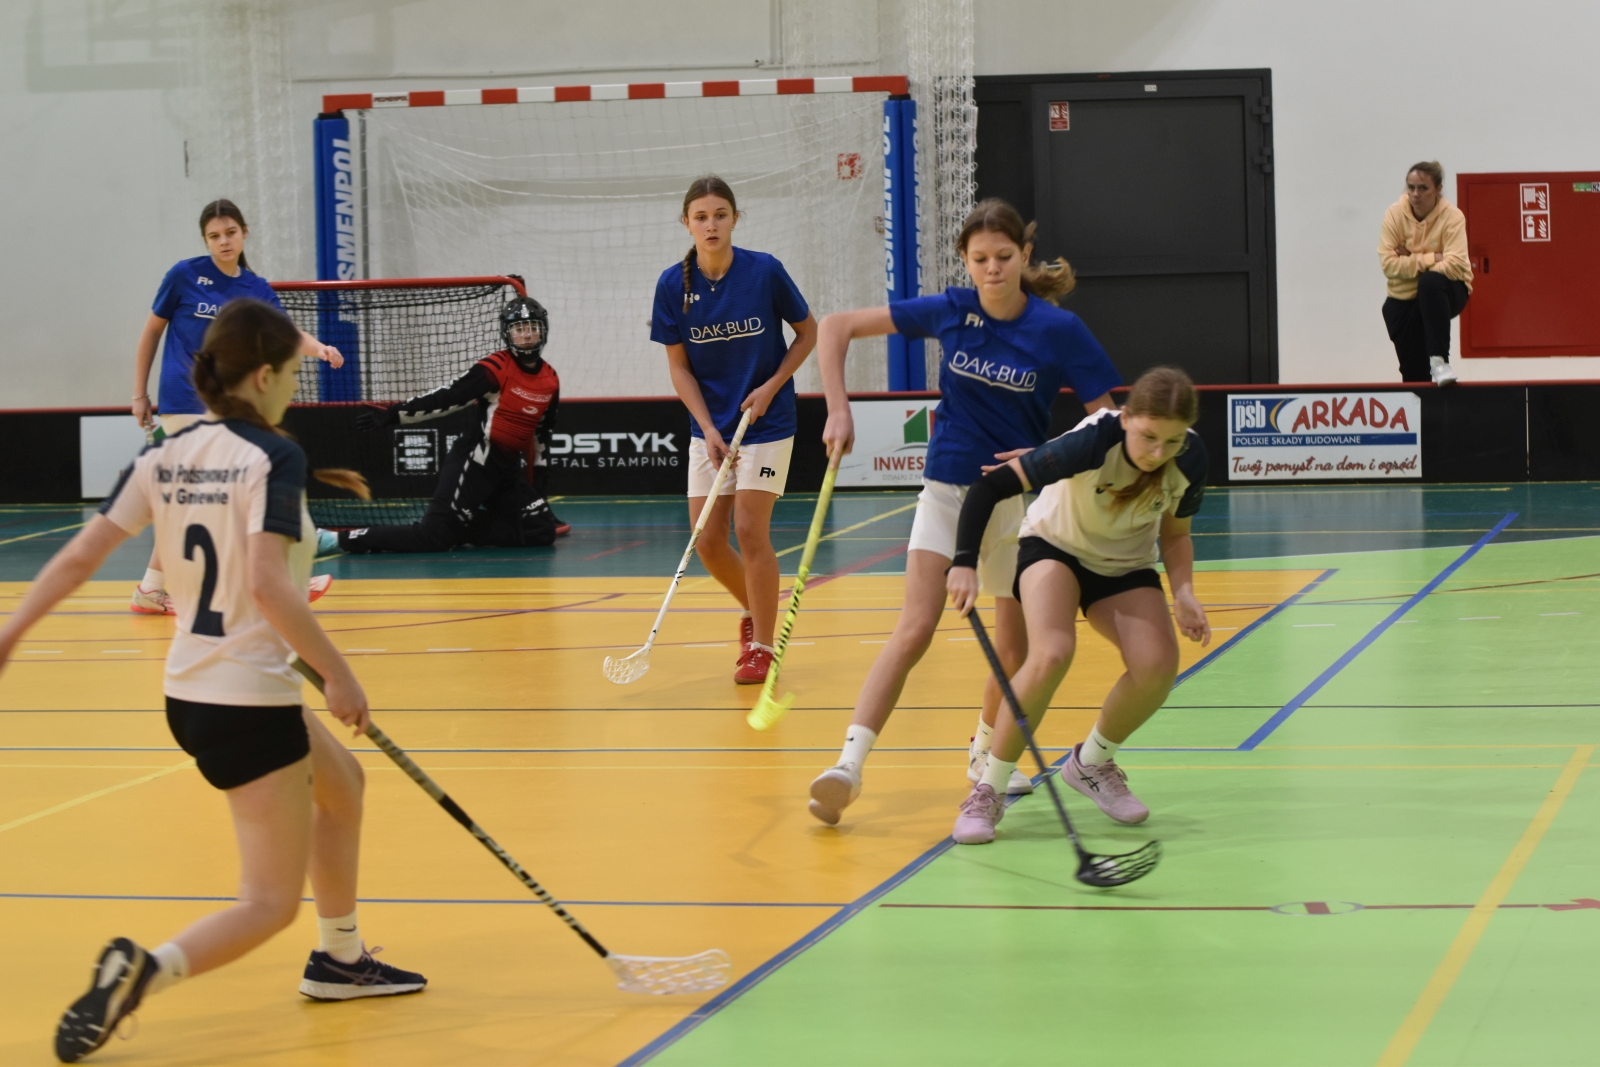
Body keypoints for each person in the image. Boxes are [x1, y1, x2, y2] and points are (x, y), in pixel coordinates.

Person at [0, 300, 423, 1064]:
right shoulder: (272, 455)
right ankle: (143, 971)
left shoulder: (166, 454)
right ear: (261, 376)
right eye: (291, 374)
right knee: (266, 904)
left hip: (191, 691)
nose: (293, 388)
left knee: (343, 786)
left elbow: (81, 556)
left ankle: (341, 957)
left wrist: (11, 630)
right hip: (248, 702)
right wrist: (340, 675)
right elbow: (267, 582)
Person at [806, 199, 1122, 826]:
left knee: (1015, 650)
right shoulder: (952, 310)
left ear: (1024, 255)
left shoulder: (1058, 329)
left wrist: (1048, 453)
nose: (992, 269)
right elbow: (835, 327)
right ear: (965, 262)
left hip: (1017, 504)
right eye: (980, 259)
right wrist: (837, 409)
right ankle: (847, 766)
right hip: (948, 493)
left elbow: (1107, 420)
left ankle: (983, 756)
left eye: (1004, 257)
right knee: (915, 627)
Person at [944, 366, 1210, 845]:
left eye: (1171, 442)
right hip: (1054, 547)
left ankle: (1092, 763)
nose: (1157, 453)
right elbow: (989, 488)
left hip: (1124, 566)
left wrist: (1184, 591)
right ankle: (989, 789)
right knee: (1051, 652)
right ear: (1126, 419)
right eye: (1148, 437)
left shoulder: (1190, 459)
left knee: (1157, 665)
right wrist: (963, 561)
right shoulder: (1092, 442)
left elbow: (1175, 534)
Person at [130, 199, 345, 613]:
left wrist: (320, 348)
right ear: (205, 240)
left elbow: (285, 331)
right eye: (214, 236)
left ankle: (150, 590)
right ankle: (281, 583)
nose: (223, 242)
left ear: (244, 233)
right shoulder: (183, 275)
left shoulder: (254, 288)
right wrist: (139, 394)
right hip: (183, 401)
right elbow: (151, 332)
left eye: (230, 233)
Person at [651, 175, 818, 684]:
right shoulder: (671, 286)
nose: (711, 225)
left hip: (767, 421)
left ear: (735, 219)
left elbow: (807, 333)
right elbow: (679, 368)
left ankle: (763, 646)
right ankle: (756, 610)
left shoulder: (764, 271)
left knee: (749, 528)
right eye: (701, 217)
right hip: (711, 427)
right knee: (706, 541)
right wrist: (706, 427)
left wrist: (771, 387)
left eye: (720, 215)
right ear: (686, 223)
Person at [325, 296, 564, 555]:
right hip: (475, 463)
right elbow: (449, 396)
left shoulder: (550, 379)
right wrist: (394, 414)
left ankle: (455, 529)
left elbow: (542, 436)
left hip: (507, 471)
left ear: (543, 331)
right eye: (519, 329)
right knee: (431, 538)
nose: (526, 335)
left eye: (532, 328)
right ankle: (339, 540)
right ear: (508, 334)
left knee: (540, 531)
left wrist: (539, 487)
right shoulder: (497, 367)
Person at [1379, 161, 1473, 387]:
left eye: (1423, 188)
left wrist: (1410, 257)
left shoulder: (1453, 217)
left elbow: (1455, 264)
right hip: (1403, 297)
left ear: (1438, 189)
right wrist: (1433, 257)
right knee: (1413, 374)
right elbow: (1389, 266)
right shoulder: (1393, 215)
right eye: (1411, 187)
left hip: (1448, 289)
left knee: (1430, 283)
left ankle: (1439, 362)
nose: (1415, 194)